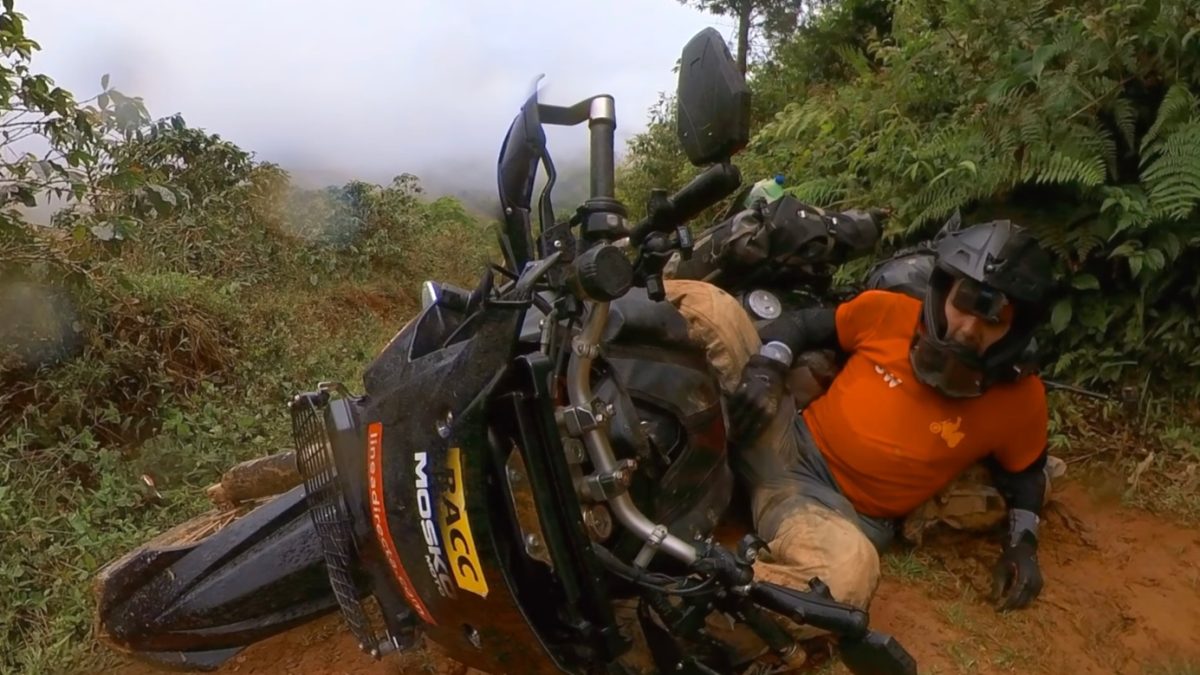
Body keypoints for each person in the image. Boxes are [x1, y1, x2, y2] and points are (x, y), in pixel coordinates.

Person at [720, 217, 1057, 634]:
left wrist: (1023, 544)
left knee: (846, 578)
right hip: (776, 431)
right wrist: (767, 366)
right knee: (715, 311)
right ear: (943, 291)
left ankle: (701, 594)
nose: (969, 329)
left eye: (993, 319)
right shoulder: (889, 312)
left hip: (826, 510)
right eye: (966, 302)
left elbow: (1026, 473)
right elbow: (806, 324)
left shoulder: (1020, 398)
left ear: (1015, 332)